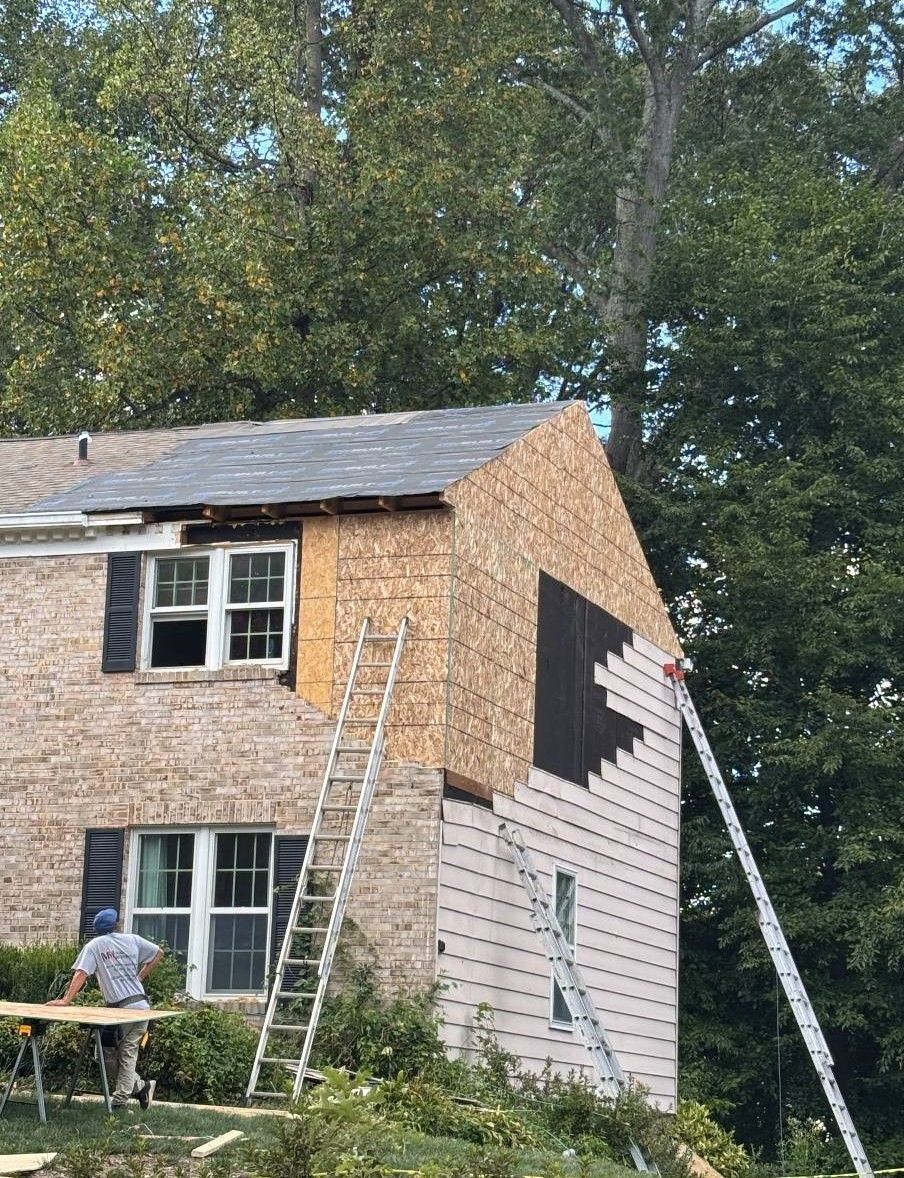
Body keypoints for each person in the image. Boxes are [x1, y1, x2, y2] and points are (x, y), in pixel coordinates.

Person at [48, 908, 163, 1109]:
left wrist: (66, 1000)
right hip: (139, 1006)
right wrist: (140, 977)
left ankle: (119, 1102)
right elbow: (158, 953)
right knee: (107, 1053)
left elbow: (81, 973)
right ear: (116, 924)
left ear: (96, 929)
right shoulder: (133, 940)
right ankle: (140, 1086)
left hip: (124, 1010)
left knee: (120, 1054)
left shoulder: (94, 945)